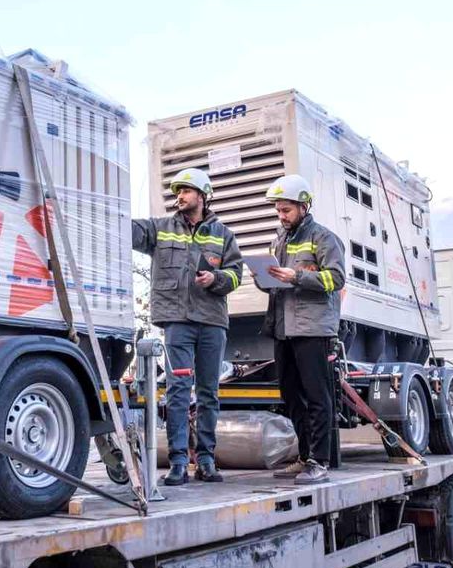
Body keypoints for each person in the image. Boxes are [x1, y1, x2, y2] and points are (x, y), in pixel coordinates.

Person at [133, 167, 243, 485]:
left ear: (203, 196)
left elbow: (236, 274)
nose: (179, 196)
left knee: (208, 392)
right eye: (177, 192)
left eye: (185, 191)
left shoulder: (223, 234)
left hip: (211, 322)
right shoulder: (160, 228)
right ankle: (178, 462)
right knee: (178, 391)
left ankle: (206, 460)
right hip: (177, 322)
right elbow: (125, 228)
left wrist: (215, 278)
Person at [258, 173, 345, 485]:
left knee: (317, 395)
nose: (281, 216)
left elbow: (336, 279)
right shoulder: (278, 240)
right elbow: (276, 283)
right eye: (278, 210)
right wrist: (263, 277)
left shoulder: (324, 238)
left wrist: (295, 277)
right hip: (283, 328)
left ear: (304, 206)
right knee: (291, 395)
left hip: (313, 329)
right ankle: (305, 456)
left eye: (286, 210)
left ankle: (320, 461)